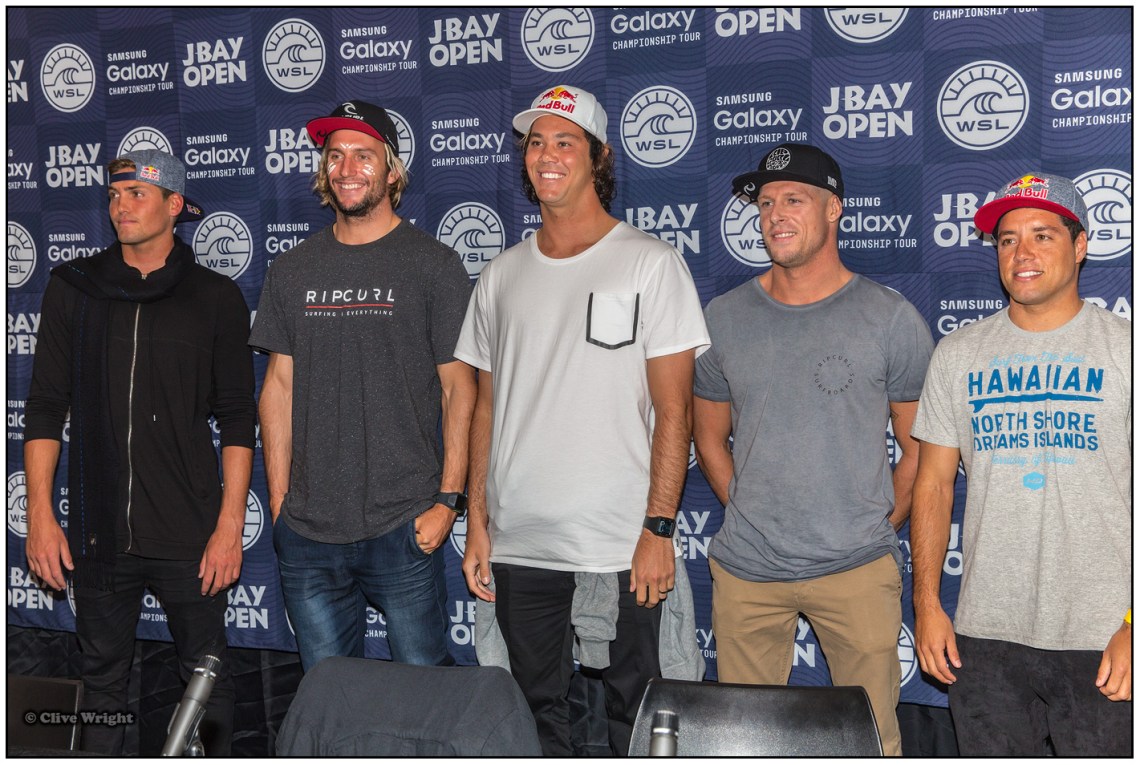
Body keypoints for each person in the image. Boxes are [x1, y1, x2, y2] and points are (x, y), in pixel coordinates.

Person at [455, 84, 709, 756]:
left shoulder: (651, 264)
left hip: (619, 542)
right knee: (533, 718)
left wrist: (658, 526)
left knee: (644, 714)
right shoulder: (500, 276)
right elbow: (485, 407)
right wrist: (477, 522)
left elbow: (674, 409)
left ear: (598, 157)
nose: (546, 154)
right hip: (520, 544)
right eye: (535, 142)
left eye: (564, 140)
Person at [692, 143, 933, 756]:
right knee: (742, 745)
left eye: (793, 199)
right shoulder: (724, 317)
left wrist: (882, 525)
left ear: (834, 211)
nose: (774, 214)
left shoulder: (889, 317)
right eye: (765, 202)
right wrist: (742, 506)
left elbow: (921, 448)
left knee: (872, 742)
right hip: (747, 571)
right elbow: (707, 433)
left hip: (855, 568)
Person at [23, 150, 254, 755]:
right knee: (99, 687)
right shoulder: (75, 288)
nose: (120, 205)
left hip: (190, 532)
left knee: (208, 682)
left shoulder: (215, 297)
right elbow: (45, 407)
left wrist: (230, 526)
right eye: (113, 195)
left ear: (174, 205)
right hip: (98, 534)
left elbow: (237, 419)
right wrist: (41, 517)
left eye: (136, 194)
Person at [910, 172, 1131, 756]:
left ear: (1080, 246)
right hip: (985, 636)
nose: (1022, 254)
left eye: (1041, 235)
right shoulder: (958, 353)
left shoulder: (1125, 349)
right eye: (1007, 240)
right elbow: (931, 485)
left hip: (1105, 634)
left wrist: (1135, 625)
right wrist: (928, 605)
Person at [251, 100, 475, 673]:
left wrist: (449, 501)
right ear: (323, 170)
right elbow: (277, 386)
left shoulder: (434, 265)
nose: (348, 168)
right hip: (305, 531)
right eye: (336, 155)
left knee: (423, 696)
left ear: (394, 171)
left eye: (364, 155)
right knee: (330, 697)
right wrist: (278, 500)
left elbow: (460, 390)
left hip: (403, 524)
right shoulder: (293, 268)